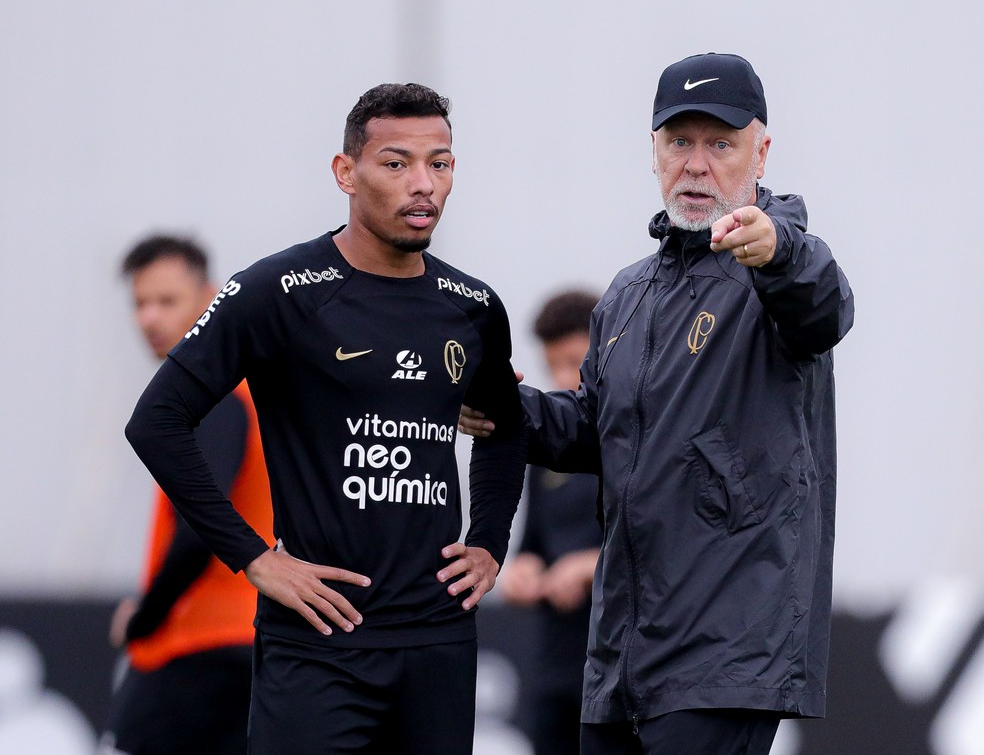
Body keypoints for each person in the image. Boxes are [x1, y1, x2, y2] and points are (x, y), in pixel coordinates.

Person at [460, 53, 855, 755]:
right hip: (619, 655)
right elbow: (591, 430)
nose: (696, 163)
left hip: (727, 653)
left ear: (761, 151)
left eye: (720, 142)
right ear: (653, 152)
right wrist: (504, 405)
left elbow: (824, 304)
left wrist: (779, 252)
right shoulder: (626, 294)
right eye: (680, 141)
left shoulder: (779, 264)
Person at [124, 83, 528, 755]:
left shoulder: (473, 304)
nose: (423, 184)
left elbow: (504, 424)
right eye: (396, 163)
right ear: (347, 172)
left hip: (436, 641)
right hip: (316, 641)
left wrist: (488, 539)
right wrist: (253, 557)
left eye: (441, 163)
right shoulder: (277, 291)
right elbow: (156, 422)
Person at [101, 235, 274, 755]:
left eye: (167, 300)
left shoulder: (213, 396)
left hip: (195, 646)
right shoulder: (243, 390)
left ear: (210, 298)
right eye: (139, 302)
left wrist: (145, 615)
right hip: (247, 646)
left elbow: (201, 525)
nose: (148, 317)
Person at [498, 289, 602, 755]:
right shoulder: (549, 448)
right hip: (555, 664)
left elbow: (676, 546)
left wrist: (590, 567)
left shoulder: (645, 442)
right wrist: (520, 568)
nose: (563, 378)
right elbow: (533, 542)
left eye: (575, 361)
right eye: (552, 365)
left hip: (623, 669)